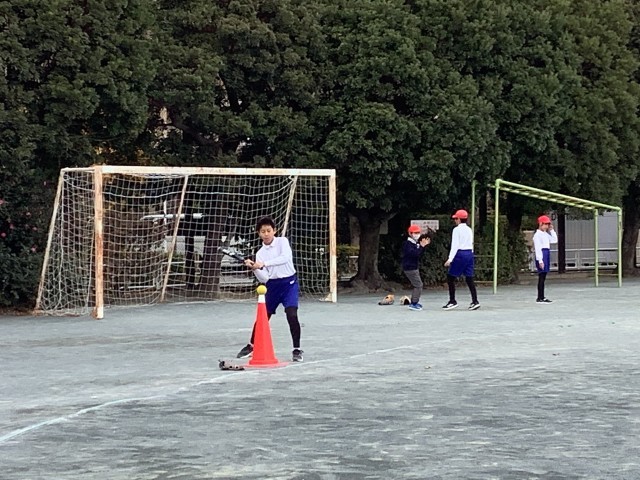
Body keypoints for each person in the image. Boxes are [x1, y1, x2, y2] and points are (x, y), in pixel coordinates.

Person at [236, 216, 303, 362]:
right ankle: (251, 345)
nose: (266, 234)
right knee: (263, 317)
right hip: (272, 286)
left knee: (292, 314)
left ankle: (297, 349)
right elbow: (264, 278)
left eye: (268, 230)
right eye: (263, 231)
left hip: (289, 284)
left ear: (274, 231)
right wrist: (254, 268)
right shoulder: (260, 253)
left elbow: (285, 258)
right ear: (259, 233)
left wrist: (263, 264)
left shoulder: (282, 242)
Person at [443, 209, 480, 310]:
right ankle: (475, 301)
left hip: (460, 254)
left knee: (450, 277)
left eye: (456, 219)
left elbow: (455, 245)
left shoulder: (456, 230)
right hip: (469, 253)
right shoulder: (469, 229)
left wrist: (450, 259)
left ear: (459, 219)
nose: (455, 220)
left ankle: (452, 301)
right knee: (469, 278)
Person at [401, 224, 431, 311]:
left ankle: (414, 302)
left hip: (413, 267)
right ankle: (413, 303)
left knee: (418, 285)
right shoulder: (408, 244)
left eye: (418, 232)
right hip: (410, 267)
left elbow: (419, 254)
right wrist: (421, 246)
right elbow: (414, 254)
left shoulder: (415, 243)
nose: (417, 234)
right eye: (415, 233)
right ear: (410, 233)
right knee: (418, 285)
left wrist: (422, 246)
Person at [533, 214, 558, 303]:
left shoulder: (545, 234)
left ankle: (541, 296)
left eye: (548, 224)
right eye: (546, 224)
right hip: (542, 254)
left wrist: (552, 230)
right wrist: (540, 260)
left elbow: (554, 240)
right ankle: (540, 296)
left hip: (546, 253)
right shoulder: (537, 235)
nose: (547, 226)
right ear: (541, 224)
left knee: (543, 276)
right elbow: (538, 248)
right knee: (541, 276)